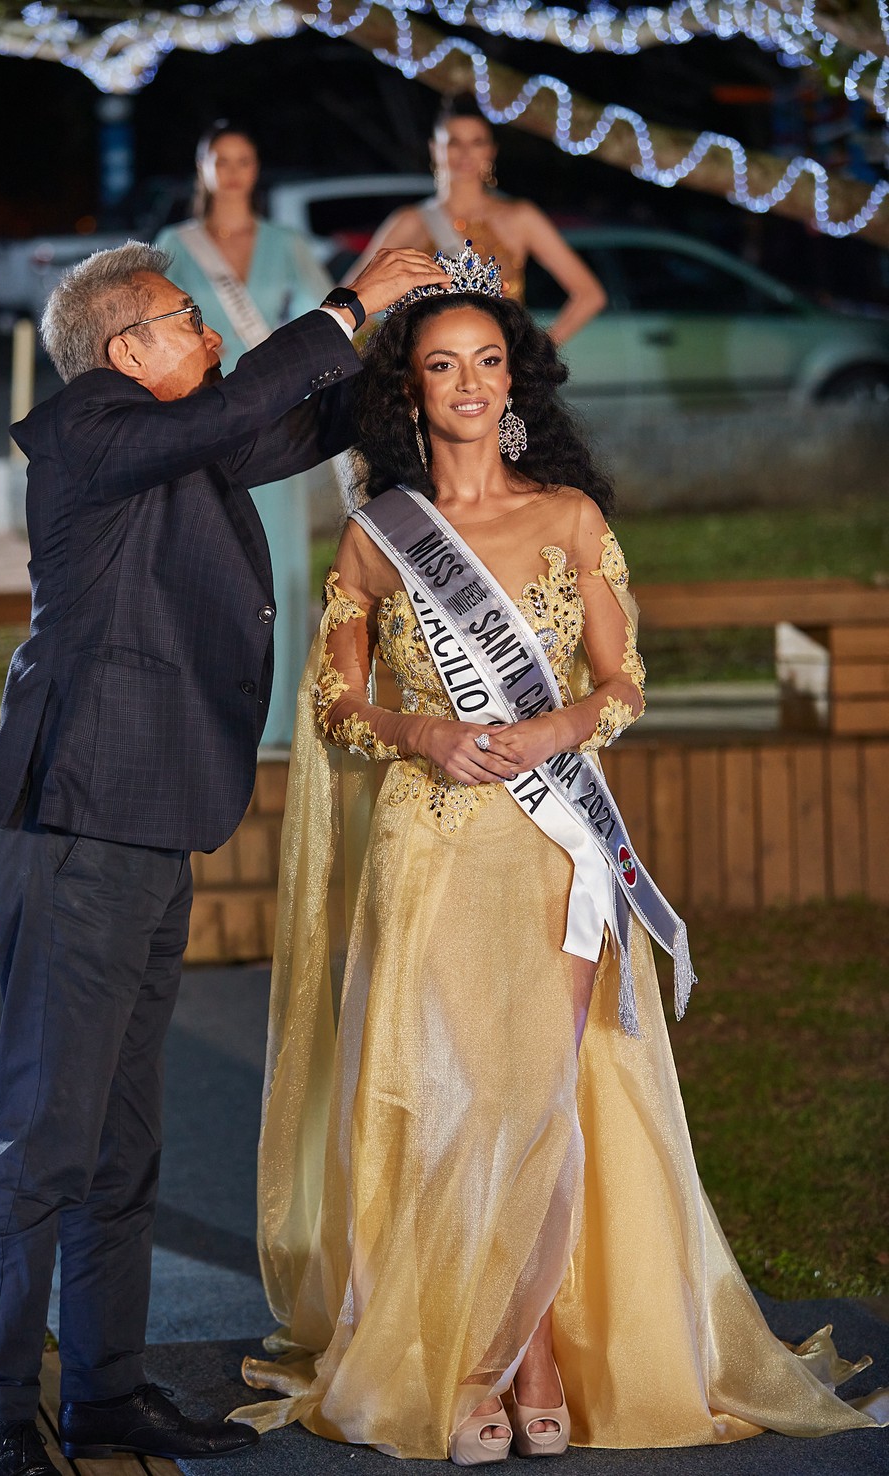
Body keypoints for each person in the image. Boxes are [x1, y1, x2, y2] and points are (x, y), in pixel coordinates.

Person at [233, 257, 886, 1462]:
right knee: (447, 1094)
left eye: (487, 362)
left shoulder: (572, 518)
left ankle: (534, 1354)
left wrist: (556, 727)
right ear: (410, 394)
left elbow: (626, 681)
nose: (468, 384)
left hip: (557, 844)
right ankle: (475, 1358)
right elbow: (333, 700)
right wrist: (420, 729)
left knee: (543, 1093)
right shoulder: (382, 536)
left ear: (514, 378)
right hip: (429, 851)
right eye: (442, 366)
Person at [0, 238, 448, 1476]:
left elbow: (286, 417)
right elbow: (243, 398)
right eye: (190, 319)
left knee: (122, 1150)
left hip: (145, 827)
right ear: (128, 349)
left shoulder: (178, 437)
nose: (214, 336)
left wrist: (409, 341)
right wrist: (345, 302)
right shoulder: (88, 435)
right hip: (76, 830)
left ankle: (108, 1394)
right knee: (44, 1147)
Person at [156, 121, 337, 746]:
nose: (232, 171)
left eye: (244, 158)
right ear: (204, 168)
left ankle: (277, 719)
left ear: (257, 169)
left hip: (269, 418)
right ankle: (211, 714)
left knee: (277, 565)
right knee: (207, 558)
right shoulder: (174, 243)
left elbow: (327, 314)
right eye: (221, 159)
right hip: (201, 417)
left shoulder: (286, 242)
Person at [346, 92, 607, 344]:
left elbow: (589, 295)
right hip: (436, 376)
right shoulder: (412, 221)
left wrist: (535, 357)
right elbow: (351, 298)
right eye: (453, 142)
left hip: (500, 375)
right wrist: (392, 357)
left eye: (477, 142)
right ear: (434, 148)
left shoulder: (519, 217)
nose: (465, 153)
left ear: (491, 151)